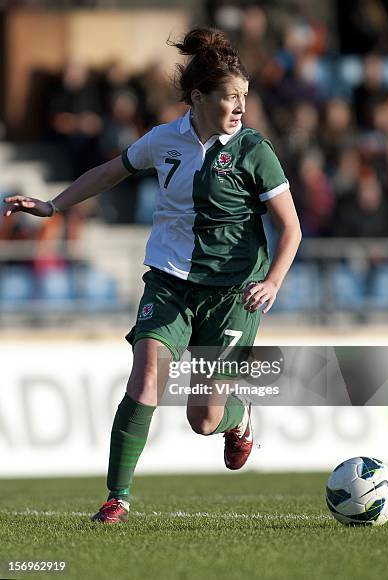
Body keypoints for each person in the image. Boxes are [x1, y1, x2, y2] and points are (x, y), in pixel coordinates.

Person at [3, 27, 301, 523]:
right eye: (231, 97)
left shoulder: (255, 151)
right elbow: (108, 172)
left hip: (232, 294)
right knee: (146, 377)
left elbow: (290, 228)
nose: (240, 107)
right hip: (168, 281)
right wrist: (53, 204)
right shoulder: (164, 140)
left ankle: (238, 416)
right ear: (199, 97)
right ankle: (117, 498)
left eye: (244, 98)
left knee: (203, 419)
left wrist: (272, 282)